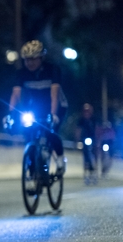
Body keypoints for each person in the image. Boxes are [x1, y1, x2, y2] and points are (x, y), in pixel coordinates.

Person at [7, 40, 68, 174]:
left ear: (41, 58)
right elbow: (16, 95)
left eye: (33, 59)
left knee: (50, 132)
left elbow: (54, 95)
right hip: (36, 107)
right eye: (27, 60)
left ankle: (60, 160)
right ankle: (32, 171)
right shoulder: (21, 73)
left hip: (57, 105)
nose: (30, 63)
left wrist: (53, 114)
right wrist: (9, 114)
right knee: (28, 133)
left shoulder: (52, 70)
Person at [75, 103, 98, 175]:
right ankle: (86, 167)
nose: (86, 113)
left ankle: (95, 166)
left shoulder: (93, 119)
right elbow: (78, 130)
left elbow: (97, 129)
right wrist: (77, 139)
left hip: (93, 139)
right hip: (84, 139)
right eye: (85, 111)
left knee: (95, 151)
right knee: (85, 153)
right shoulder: (81, 120)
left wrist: (98, 139)